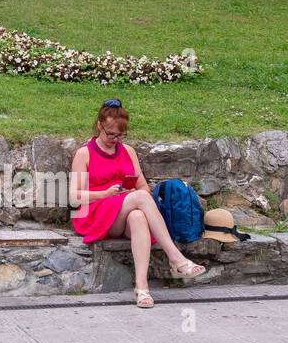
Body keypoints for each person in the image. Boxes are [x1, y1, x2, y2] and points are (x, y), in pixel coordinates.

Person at [71, 99, 206, 307]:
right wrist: (105, 194)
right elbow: (75, 196)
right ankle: (176, 259)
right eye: (110, 134)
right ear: (99, 126)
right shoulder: (85, 153)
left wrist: (129, 193)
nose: (114, 139)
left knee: (138, 216)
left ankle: (142, 288)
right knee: (140, 199)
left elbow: (143, 188)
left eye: (119, 135)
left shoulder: (128, 151)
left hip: (122, 211)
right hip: (95, 213)